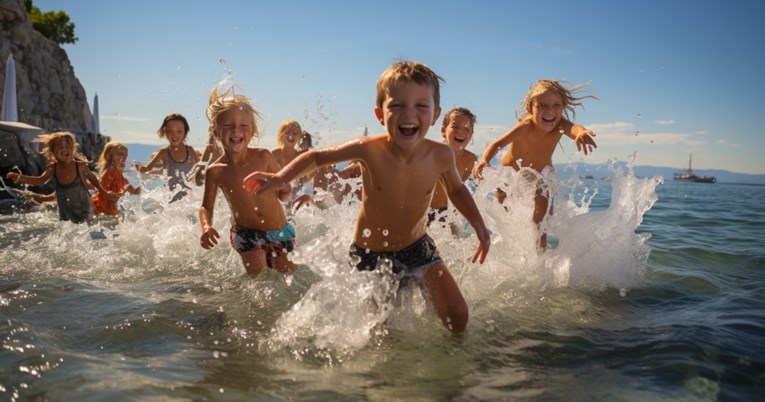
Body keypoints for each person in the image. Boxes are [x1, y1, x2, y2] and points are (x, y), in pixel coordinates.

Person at [244, 60, 490, 334]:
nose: (409, 114)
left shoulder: (440, 156)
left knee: (457, 315)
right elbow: (315, 157)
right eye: (397, 105)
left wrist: (480, 227)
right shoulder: (369, 150)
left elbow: (456, 190)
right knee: (380, 331)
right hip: (371, 254)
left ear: (435, 115)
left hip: (418, 246)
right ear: (379, 114)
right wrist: (280, 178)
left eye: (421, 105)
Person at [473, 79, 597, 250]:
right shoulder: (525, 126)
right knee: (506, 221)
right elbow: (497, 144)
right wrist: (484, 161)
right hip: (509, 177)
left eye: (556, 105)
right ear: (530, 108)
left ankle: (540, 254)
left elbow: (573, 128)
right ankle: (503, 250)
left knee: (543, 218)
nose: (550, 111)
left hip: (540, 176)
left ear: (563, 107)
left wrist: (581, 132)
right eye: (542, 106)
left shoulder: (560, 124)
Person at [198, 82, 296, 276]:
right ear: (217, 132)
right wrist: (206, 226)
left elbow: (285, 193)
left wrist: (280, 184)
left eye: (243, 125)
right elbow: (206, 207)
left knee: (287, 274)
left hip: (278, 229)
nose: (236, 131)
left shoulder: (263, 157)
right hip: (247, 234)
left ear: (252, 132)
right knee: (260, 280)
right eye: (228, 126)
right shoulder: (215, 171)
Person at [4, 131, 118, 224]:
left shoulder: (80, 166)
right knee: (67, 228)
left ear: (73, 149)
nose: (64, 148)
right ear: (52, 151)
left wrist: (105, 193)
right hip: (65, 207)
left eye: (68, 146)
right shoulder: (53, 167)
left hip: (84, 204)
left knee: (88, 224)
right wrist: (20, 177)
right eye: (59, 146)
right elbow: (40, 180)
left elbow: (94, 180)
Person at [428, 107, 478, 229]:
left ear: (471, 135)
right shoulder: (433, 154)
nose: (461, 132)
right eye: (455, 127)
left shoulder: (470, 160)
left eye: (467, 129)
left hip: (446, 213)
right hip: (424, 212)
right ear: (444, 131)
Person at [133, 113, 200, 200]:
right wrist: (140, 169)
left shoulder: (190, 150)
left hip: (189, 198)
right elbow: (147, 168)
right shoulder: (164, 152)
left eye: (179, 131)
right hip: (170, 198)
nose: (174, 135)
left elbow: (201, 168)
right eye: (170, 131)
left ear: (185, 132)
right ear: (165, 133)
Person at [92, 141, 141, 216]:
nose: (123, 158)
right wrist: (124, 192)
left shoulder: (122, 178)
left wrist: (142, 177)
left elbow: (135, 192)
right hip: (101, 210)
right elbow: (105, 192)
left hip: (108, 211)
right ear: (109, 155)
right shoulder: (110, 171)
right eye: (120, 154)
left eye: (125, 156)